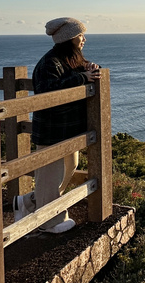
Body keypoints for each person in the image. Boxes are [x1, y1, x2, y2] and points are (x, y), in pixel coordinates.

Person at [13, 17, 101, 234]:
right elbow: (47, 91)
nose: (84, 40)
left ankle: (27, 202)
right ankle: (49, 222)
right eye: (80, 36)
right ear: (69, 38)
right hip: (52, 130)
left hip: (68, 129)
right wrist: (82, 78)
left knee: (69, 168)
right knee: (51, 175)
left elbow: (77, 73)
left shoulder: (69, 58)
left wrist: (89, 67)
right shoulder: (49, 62)